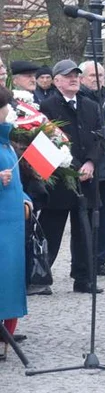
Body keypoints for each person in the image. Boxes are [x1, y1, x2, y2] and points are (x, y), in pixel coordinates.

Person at [38, 60, 105, 295]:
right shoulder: (46, 106)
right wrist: (73, 167)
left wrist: (90, 163)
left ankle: (84, 278)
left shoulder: (90, 105)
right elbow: (45, 143)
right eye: (68, 76)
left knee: (85, 231)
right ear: (56, 81)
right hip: (60, 179)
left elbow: (100, 137)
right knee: (51, 229)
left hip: (87, 177)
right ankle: (40, 276)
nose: (74, 78)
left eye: (76, 75)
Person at [79, 61, 105, 277]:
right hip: (93, 166)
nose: (97, 79)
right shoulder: (81, 99)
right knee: (89, 216)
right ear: (82, 78)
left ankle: (101, 260)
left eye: (101, 75)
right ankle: (87, 261)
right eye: (92, 76)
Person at [0, 87, 29, 349]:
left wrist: (25, 199)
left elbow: (17, 182)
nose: (8, 111)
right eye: (4, 106)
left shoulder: (5, 141)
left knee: (8, 281)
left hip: (11, 226)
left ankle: (5, 334)